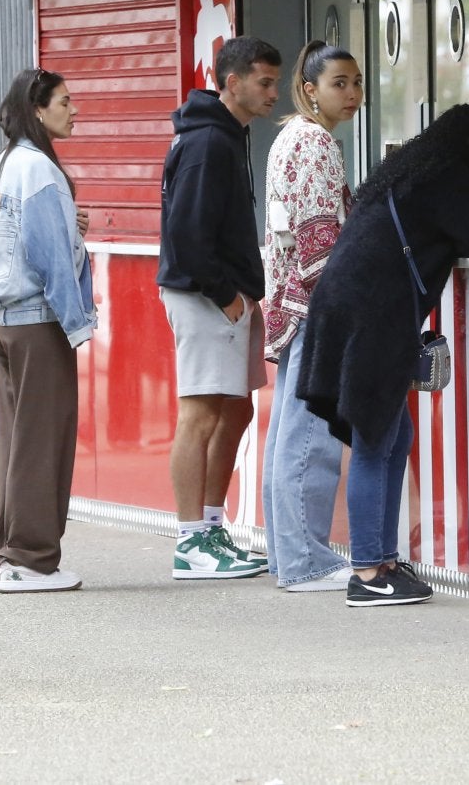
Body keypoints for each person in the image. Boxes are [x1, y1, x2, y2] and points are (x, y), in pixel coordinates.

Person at [299, 104, 469, 607]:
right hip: (372, 315)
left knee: (394, 435)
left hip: (350, 307)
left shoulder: (413, 171)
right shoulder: (447, 177)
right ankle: (368, 572)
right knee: (375, 438)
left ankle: (384, 561)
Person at [0, 68, 97, 594]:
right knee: (43, 441)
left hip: (4, 323)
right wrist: (78, 324)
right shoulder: (40, 169)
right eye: (65, 102)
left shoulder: (8, 162)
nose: (75, 110)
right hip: (37, 322)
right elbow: (49, 259)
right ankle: (30, 558)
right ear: (38, 109)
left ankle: (13, 552)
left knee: (17, 441)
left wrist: (70, 227)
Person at [158, 35, 281, 578]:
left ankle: (211, 527)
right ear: (233, 83)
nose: (274, 92)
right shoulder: (209, 142)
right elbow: (187, 233)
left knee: (236, 409)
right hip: (206, 296)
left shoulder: (226, 136)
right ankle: (191, 542)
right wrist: (225, 294)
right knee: (201, 412)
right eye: (265, 82)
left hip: (223, 295)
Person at [260, 42, 362, 592]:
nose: (351, 94)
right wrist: (338, 303)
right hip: (312, 302)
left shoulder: (288, 139)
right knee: (309, 437)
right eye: (338, 83)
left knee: (286, 432)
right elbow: (320, 235)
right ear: (309, 90)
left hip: (287, 300)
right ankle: (307, 563)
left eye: (355, 82)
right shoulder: (317, 143)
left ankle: (288, 557)